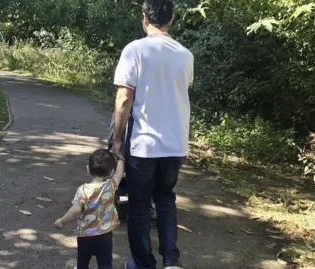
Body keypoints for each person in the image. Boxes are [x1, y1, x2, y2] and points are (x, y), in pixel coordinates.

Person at [110, 0, 194, 268]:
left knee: (139, 206)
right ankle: (171, 261)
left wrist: (117, 140)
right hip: (175, 144)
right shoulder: (185, 54)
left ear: (145, 17)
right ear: (171, 20)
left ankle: (143, 263)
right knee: (166, 199)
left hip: (144, 144)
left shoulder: (135, 50)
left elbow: (124, 99)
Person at [54, 149, 125, 269]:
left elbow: (76, 209)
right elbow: (119, 173)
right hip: (105, 236)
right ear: (111, 172)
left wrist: (62, 221)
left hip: (85, 236)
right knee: (105, 263)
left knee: (83, 260)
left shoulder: (83, 190)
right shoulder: (111, 185)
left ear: (88, 168)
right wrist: (122, 158)